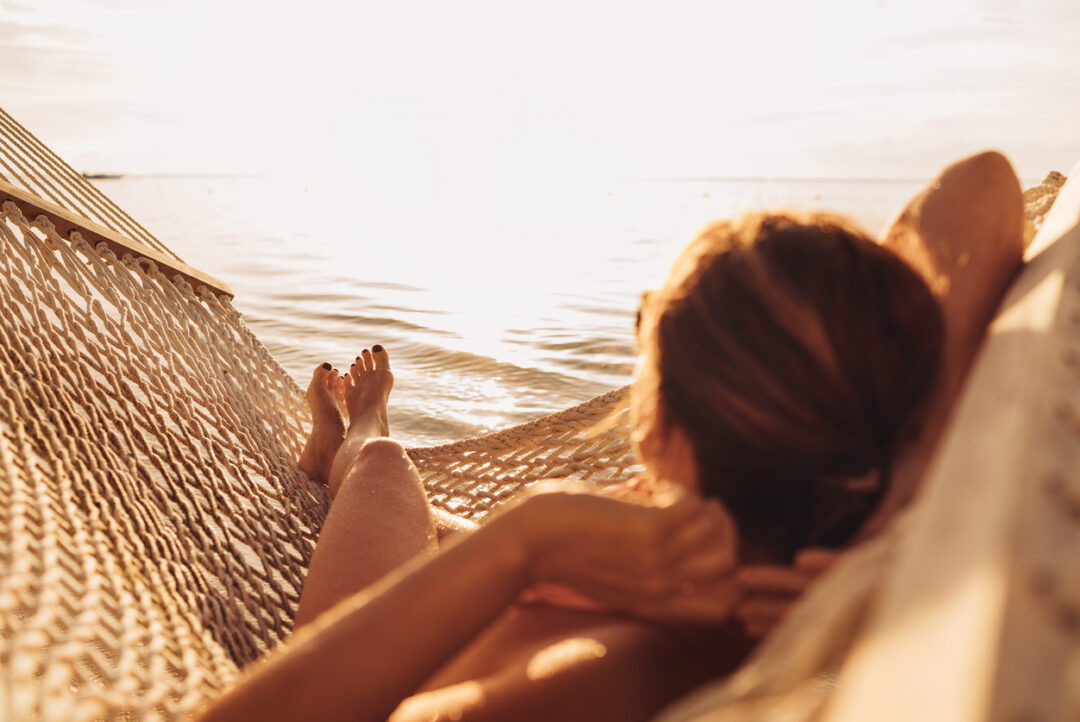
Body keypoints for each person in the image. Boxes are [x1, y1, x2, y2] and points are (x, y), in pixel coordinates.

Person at [197, 151, 1024, 722]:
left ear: (658, 422)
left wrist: (531, 538)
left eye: (646, 329)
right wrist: (904, 477)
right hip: (579, 562)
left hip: (395, 640)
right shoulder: (853, 509)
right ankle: (357, 448)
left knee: (383, 468)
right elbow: (983, 186)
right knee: (437, 520)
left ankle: (356, 428)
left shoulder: (613, 669)